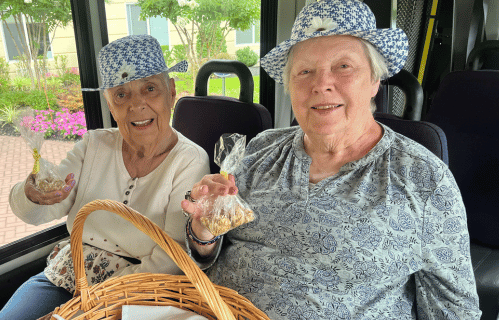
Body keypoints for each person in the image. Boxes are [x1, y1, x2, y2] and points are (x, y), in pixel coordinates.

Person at [181, 1, 482, 319]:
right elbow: (205, 257)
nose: (321, 84)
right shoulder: (260, 150)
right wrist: (203, 232)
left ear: (374, 81)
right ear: (290, 87)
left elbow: (454, 310)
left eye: (343, 66)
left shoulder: (423, 179)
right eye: (305, 71)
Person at [0, 34, 210, 320]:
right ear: (110, 104)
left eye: (150, 89)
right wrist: (32, 195)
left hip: (135, 292)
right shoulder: (93, 145)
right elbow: (45, 209)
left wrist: (91, 304)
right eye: (121, 94)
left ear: (171, 92)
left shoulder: (189, 160)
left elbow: (172, 257)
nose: (137, 105)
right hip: (67, 273)